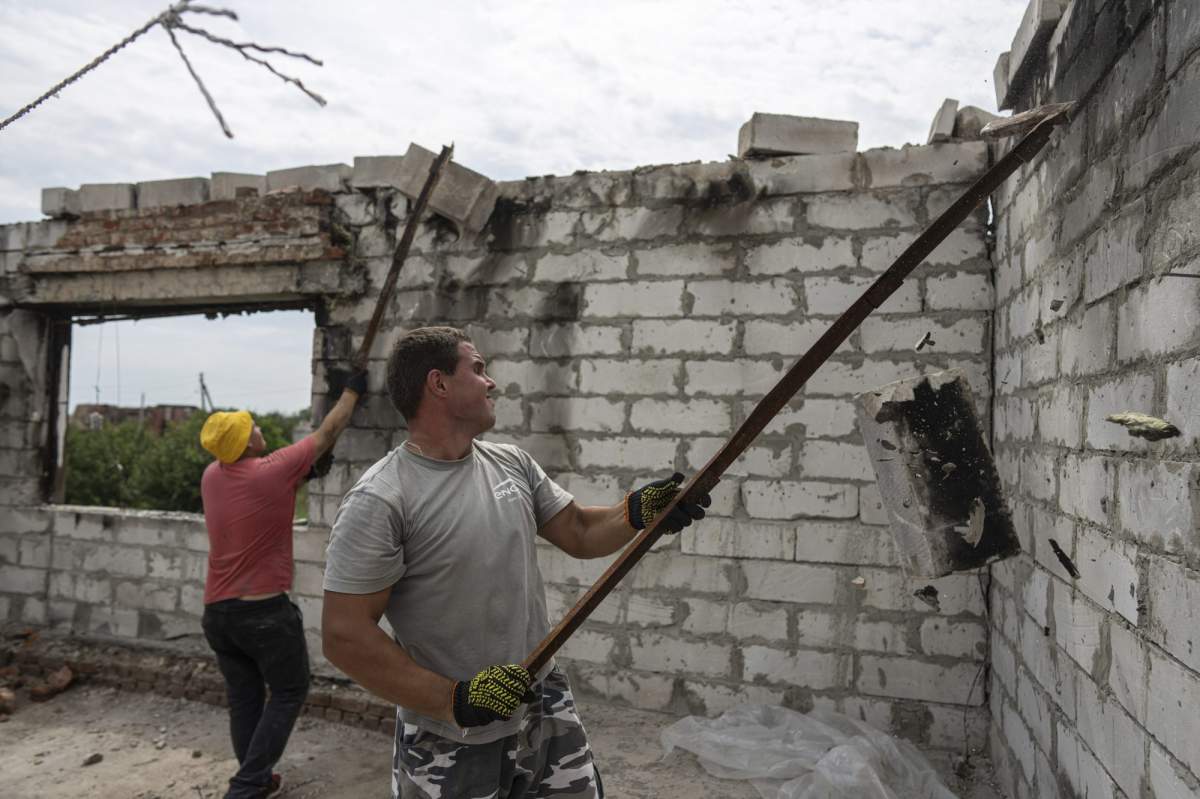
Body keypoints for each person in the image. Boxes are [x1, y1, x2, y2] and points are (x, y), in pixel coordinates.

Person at [321, 326, 710, 799]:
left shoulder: (510, 463)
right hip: (450, 735)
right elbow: (345, 635)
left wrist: (638, 513)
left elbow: (581, 532)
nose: (492, 383)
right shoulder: (383, 498)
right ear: (438, 384)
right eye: (479, 369)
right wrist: (454, 700)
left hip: (542, 701)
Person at [198, 369, 365, 799]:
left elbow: (259, 495)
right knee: (290, 689)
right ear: (246, 443)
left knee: (246, 699)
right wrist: (352, 390)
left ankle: (258, 776)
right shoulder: (272, 470)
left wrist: (302, 476)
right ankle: (247, 784)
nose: (258, 428)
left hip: (218, 616)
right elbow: (329, 432)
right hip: (263, 615)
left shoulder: (212, 476)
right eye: (250, 427)